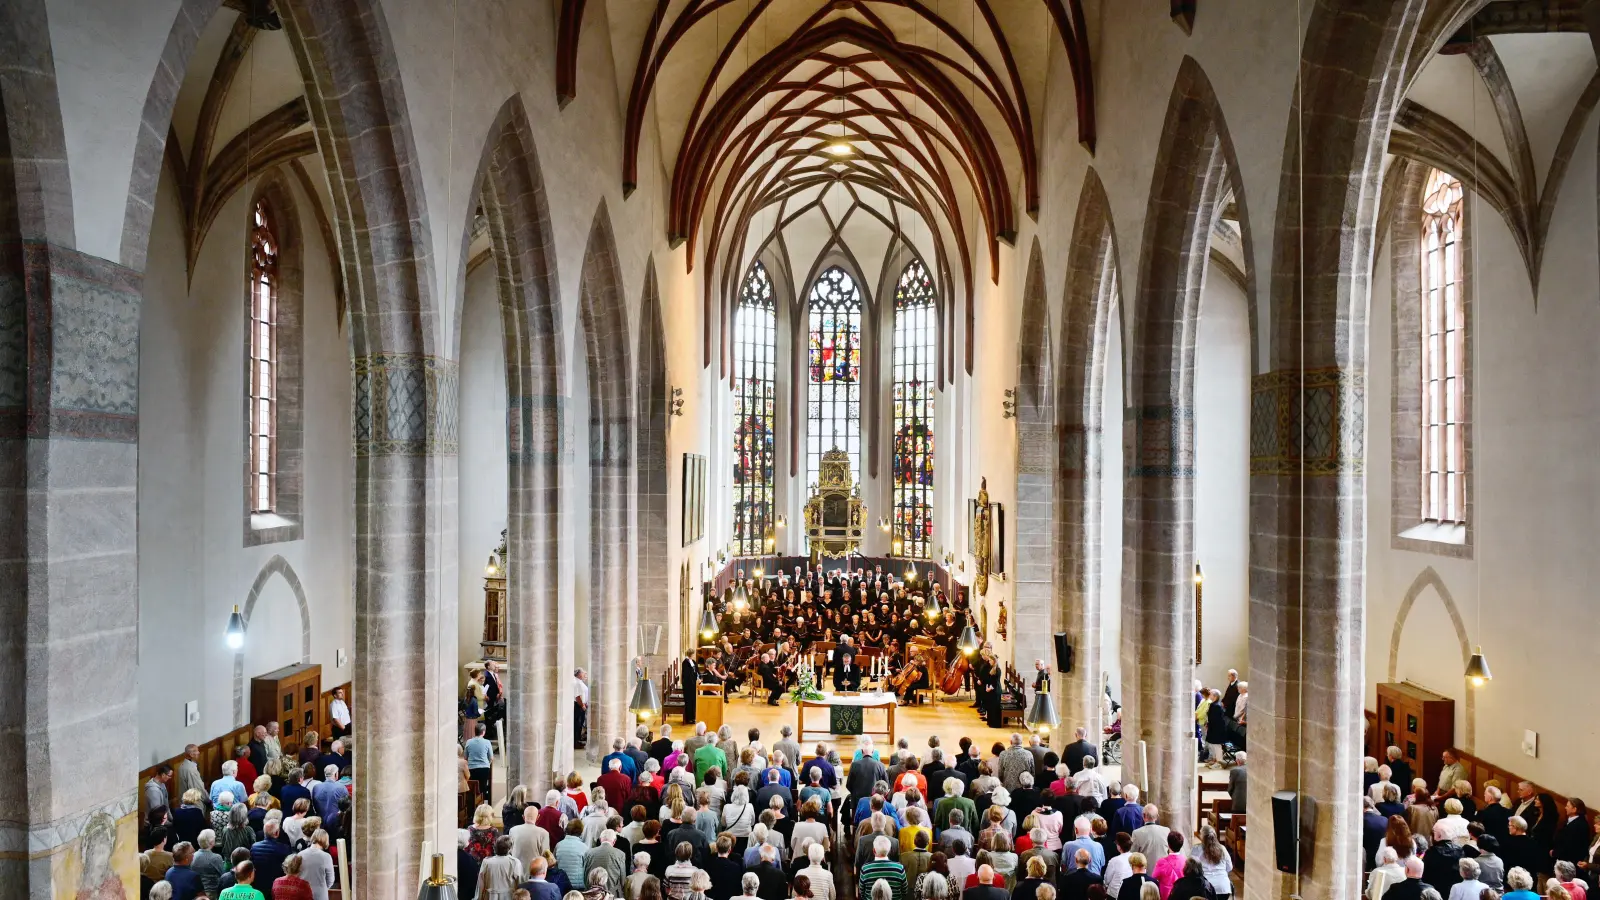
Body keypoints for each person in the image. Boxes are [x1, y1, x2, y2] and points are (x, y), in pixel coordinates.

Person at [250, 819, 292, 900]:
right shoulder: (284, 849)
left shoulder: (254, 847)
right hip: (277, 886)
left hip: (259, 885)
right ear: (277, 833)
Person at [1190, 826, 1232, 900]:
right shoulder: (1222, 848)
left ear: (1202, 836)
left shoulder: (1196, 849)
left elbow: (1191, 868)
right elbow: (1229, 867)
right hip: (1223, 888)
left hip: (1206, 889)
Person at [863, 835, 911, 900]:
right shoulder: (899, 868)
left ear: (874, 851)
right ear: (889, 851)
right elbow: (905, 891)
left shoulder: (865, 869)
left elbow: (862, 892)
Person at [1554, 799, 1593, 867]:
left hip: (1568, 862)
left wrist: (1556, 852)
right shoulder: (1572, 820)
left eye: (1567, 806)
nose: (1565, 808)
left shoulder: (1580, 825)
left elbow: (1569, 845)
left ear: (1574, 809)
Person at [297, 830, 334, 900]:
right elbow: (330, 880)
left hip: (302, 893)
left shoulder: (300, 854)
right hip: (320, 894)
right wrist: (323, 888)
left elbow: (296, 875)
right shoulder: (326, 856)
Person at [574, 669, 590, 748]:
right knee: (578, 724)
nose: (585, 675)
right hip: (579, 706)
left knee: (579, 724)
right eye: (584, 674)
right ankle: (576, 742)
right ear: (579, 674)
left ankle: (578, 740)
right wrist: (582, 705)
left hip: (581, 705)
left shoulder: (579, 682)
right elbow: (577, 696)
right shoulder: (577, 682)